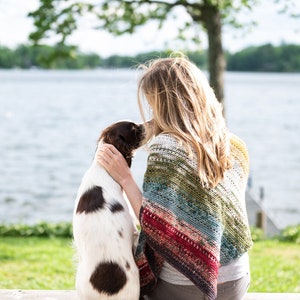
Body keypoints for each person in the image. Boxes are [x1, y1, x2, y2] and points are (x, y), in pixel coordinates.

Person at [97, 55, 253, 300]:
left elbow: (153, 225)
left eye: (152, 102)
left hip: (187, 286)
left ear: (163, 103)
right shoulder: (235, 145)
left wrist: (125, 178)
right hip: (237, 281)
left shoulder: (166, 148)